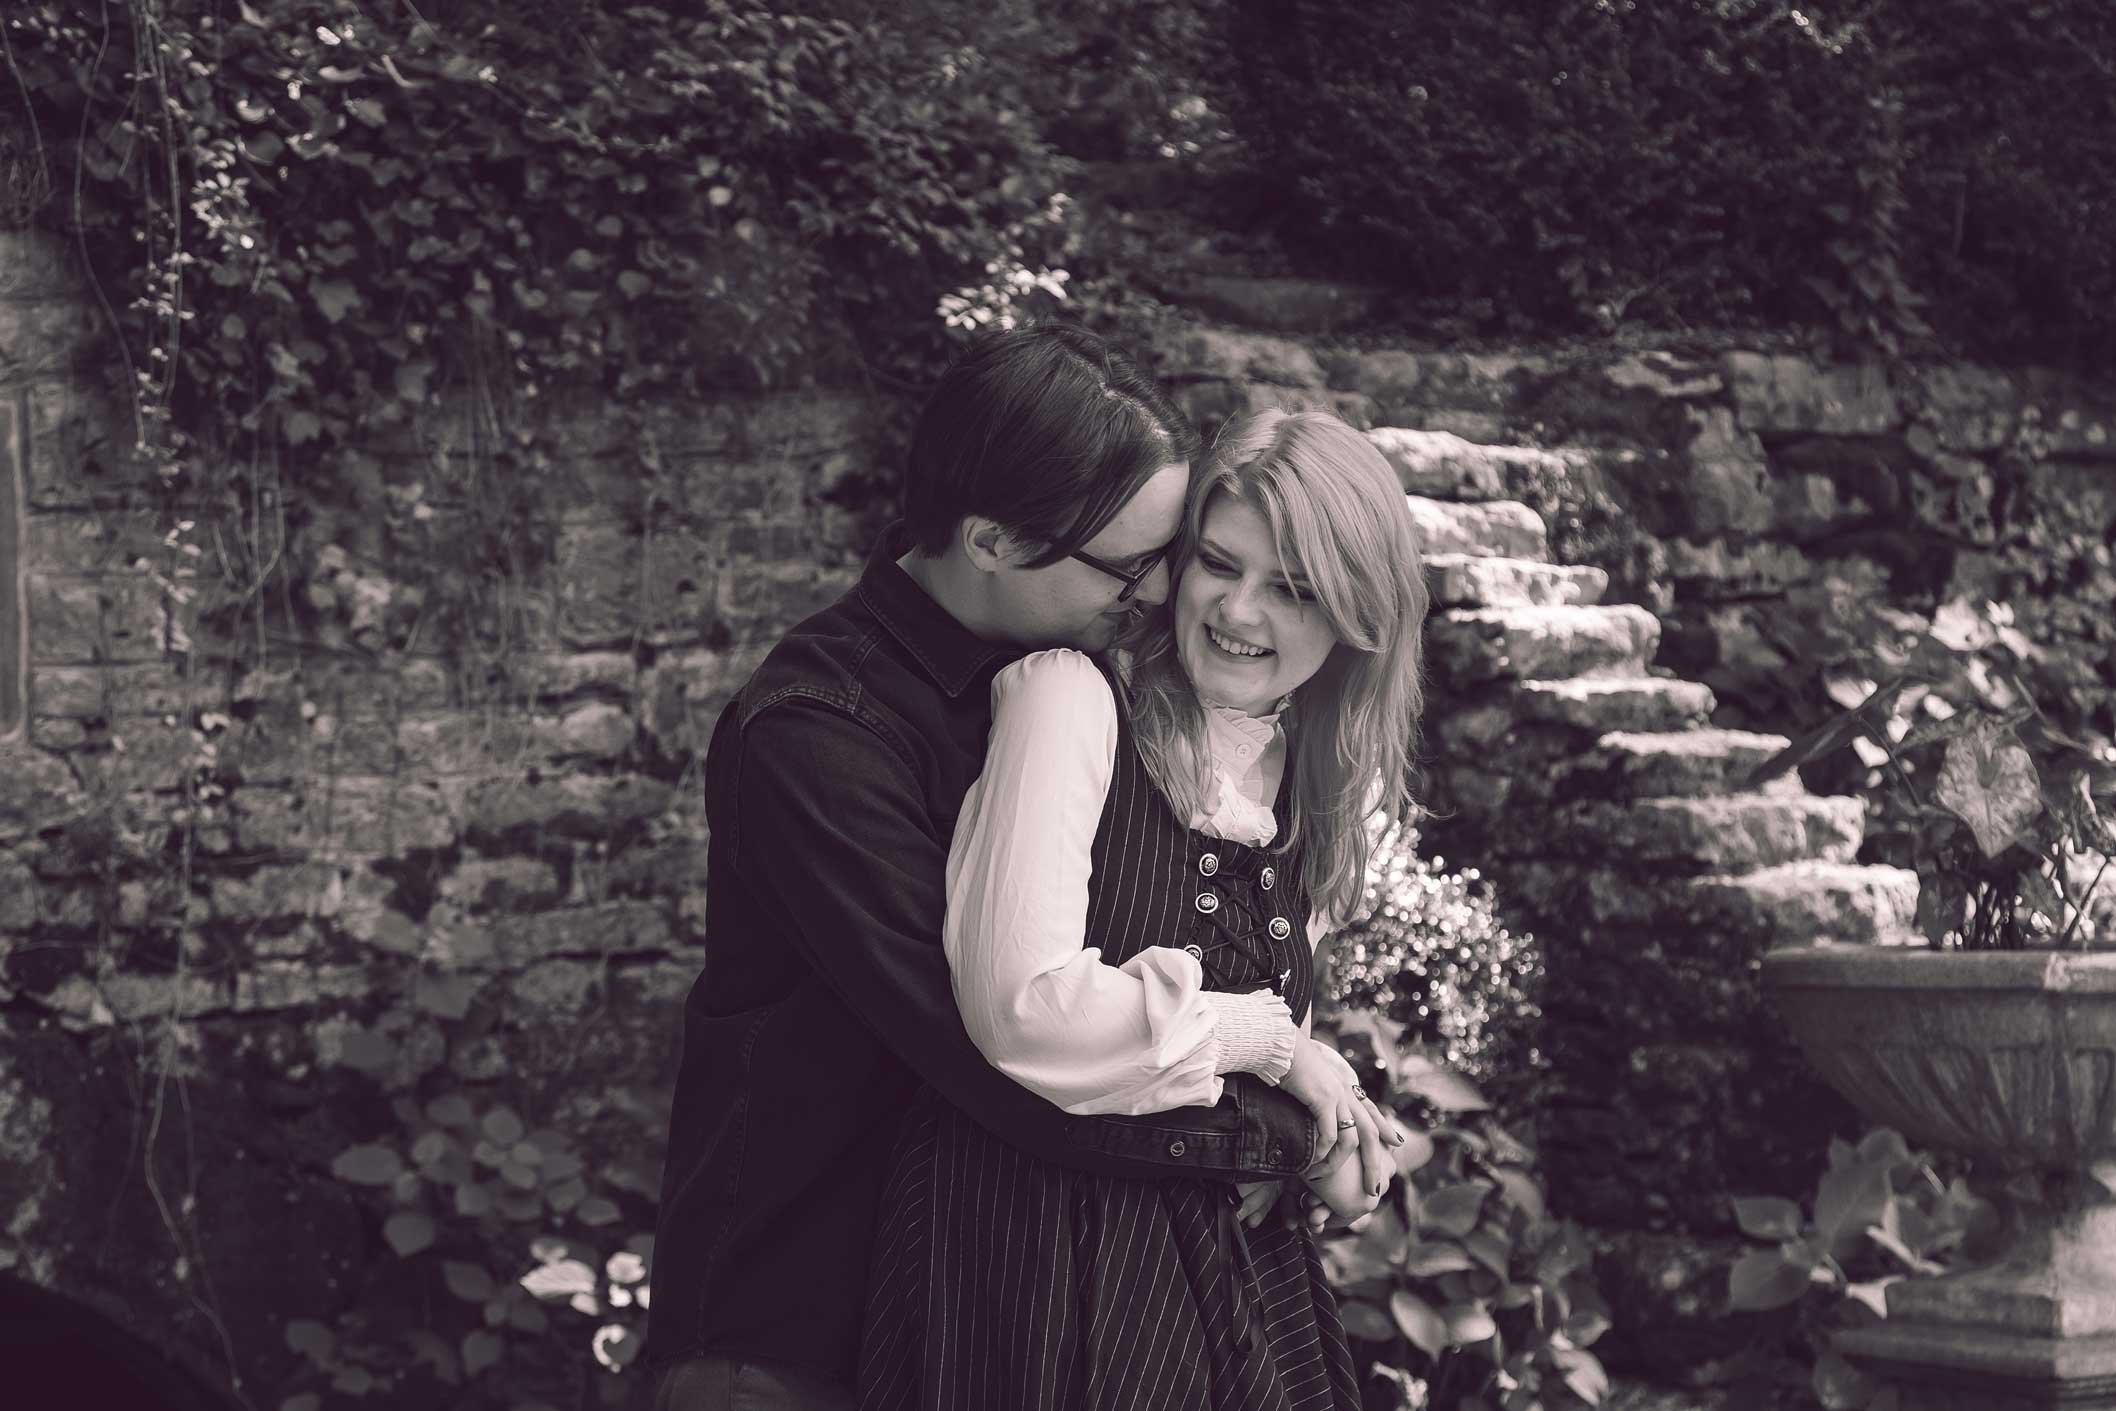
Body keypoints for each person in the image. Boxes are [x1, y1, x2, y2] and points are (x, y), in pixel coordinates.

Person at [645, 327, 1391, 1411]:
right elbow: (995, 1047)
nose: (1161, 595)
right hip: (791, 1329)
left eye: (1170, 553)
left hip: (986, 1304)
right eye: (1132, 566)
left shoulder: (1093, 687)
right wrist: (1283, 1113)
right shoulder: (816, 734)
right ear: (993, 541)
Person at [858, 409, 1428, 1411]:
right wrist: (1275, 1046)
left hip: (1228, 1285)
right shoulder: (1071, 700)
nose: (1239, 610)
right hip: (1035, 1268)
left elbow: (1251, 1064)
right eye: (1219, 562)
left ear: (1354, 614)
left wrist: (1324, 1142)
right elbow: (1022, 1008)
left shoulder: (1319, 783)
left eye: (1292, 588)